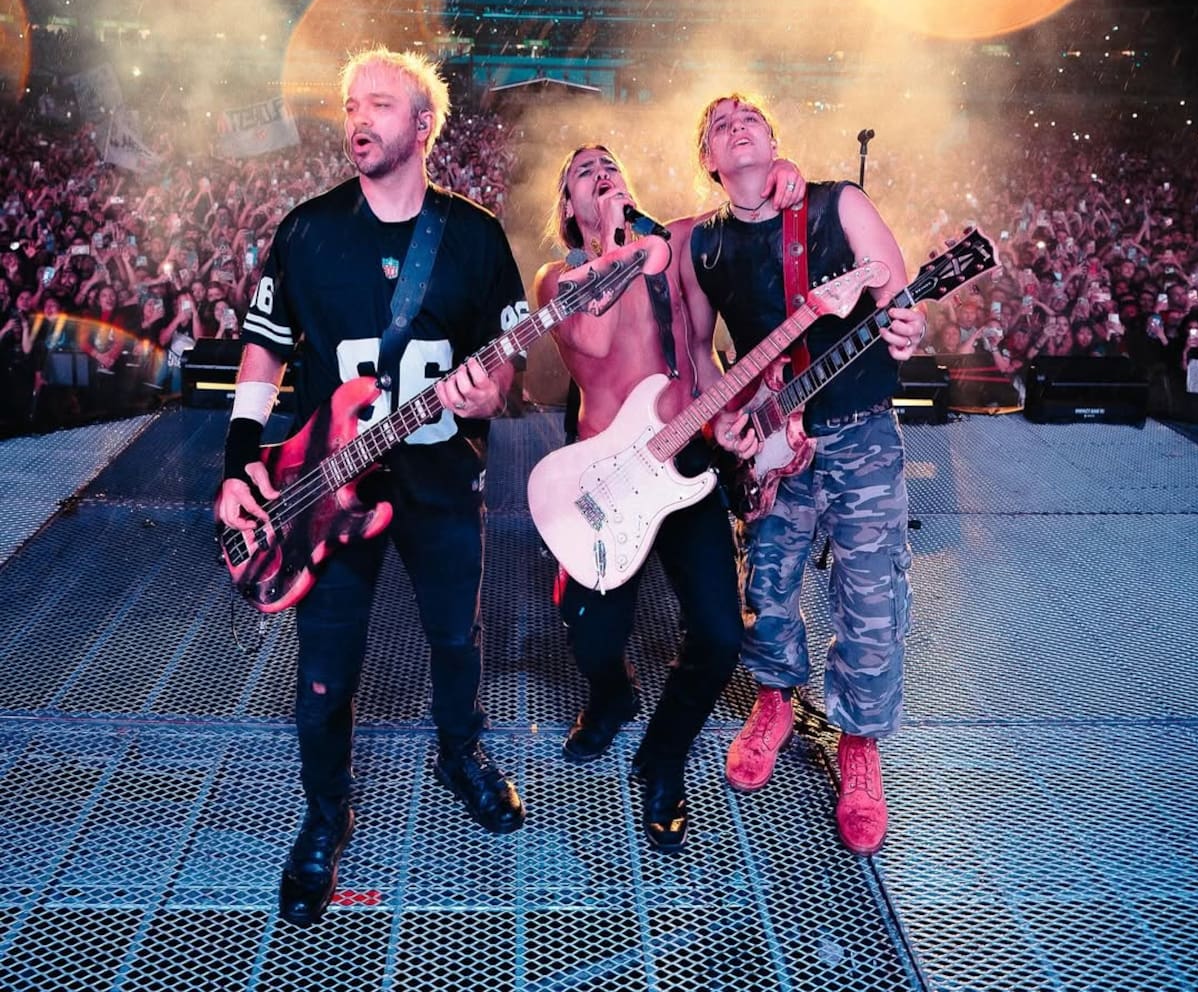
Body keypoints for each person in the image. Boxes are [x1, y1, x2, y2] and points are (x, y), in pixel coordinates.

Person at [214, 47, 528, 928]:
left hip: (440, 478)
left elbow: (507, 358)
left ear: (423, 125)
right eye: (352, 103)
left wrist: (492, 391)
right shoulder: (307, 231)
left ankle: (459, 754)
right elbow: (265, 350)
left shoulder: (475, 236)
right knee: (324, 666)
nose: (358, 117)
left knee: (456, 637)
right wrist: (239, 457)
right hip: (324, 489)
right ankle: (326, 811)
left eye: (381, 103)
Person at [533, 141, 803, 855]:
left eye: (610, 164)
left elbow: (738, 216)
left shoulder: (674, 245)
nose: (602, 173)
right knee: (591, 634)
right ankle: (612, 695)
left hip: (684, 463)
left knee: (720, 636)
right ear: (569, 208)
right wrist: (616, 242)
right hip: (604, 481)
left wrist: (771, 180)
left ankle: (663, 756)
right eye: (584, 172)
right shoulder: (557, 278)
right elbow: (593, 340)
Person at [680, 93, 926, 857]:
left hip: (858, 432)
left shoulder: (835, 205)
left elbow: (897, 295)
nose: (736, 125)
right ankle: (774, 701)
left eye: (749, 116)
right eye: (719, 125)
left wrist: (908, 323)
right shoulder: (704, 245)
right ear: (709, 161)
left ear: (774, 138)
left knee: (872, 597)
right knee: (767, 588)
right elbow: (699, 354)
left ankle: (859, 744)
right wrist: (725, 416)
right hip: (770, 444)